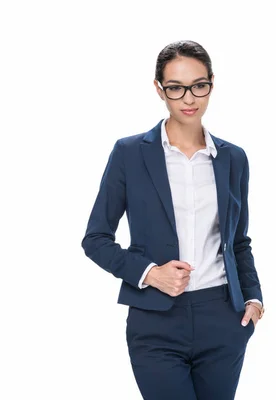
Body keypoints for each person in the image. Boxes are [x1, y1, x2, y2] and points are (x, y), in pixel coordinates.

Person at [81, 40, 264, 400]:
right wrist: (150, 272)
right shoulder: (130, 153)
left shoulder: (233, 158)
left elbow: (238, 241)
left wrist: (254, 299)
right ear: (158, 89)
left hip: (223, 317)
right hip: (155, 320)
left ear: (211, 82)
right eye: (176, 88)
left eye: (199, 85)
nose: (189, 98)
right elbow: (96, 239)